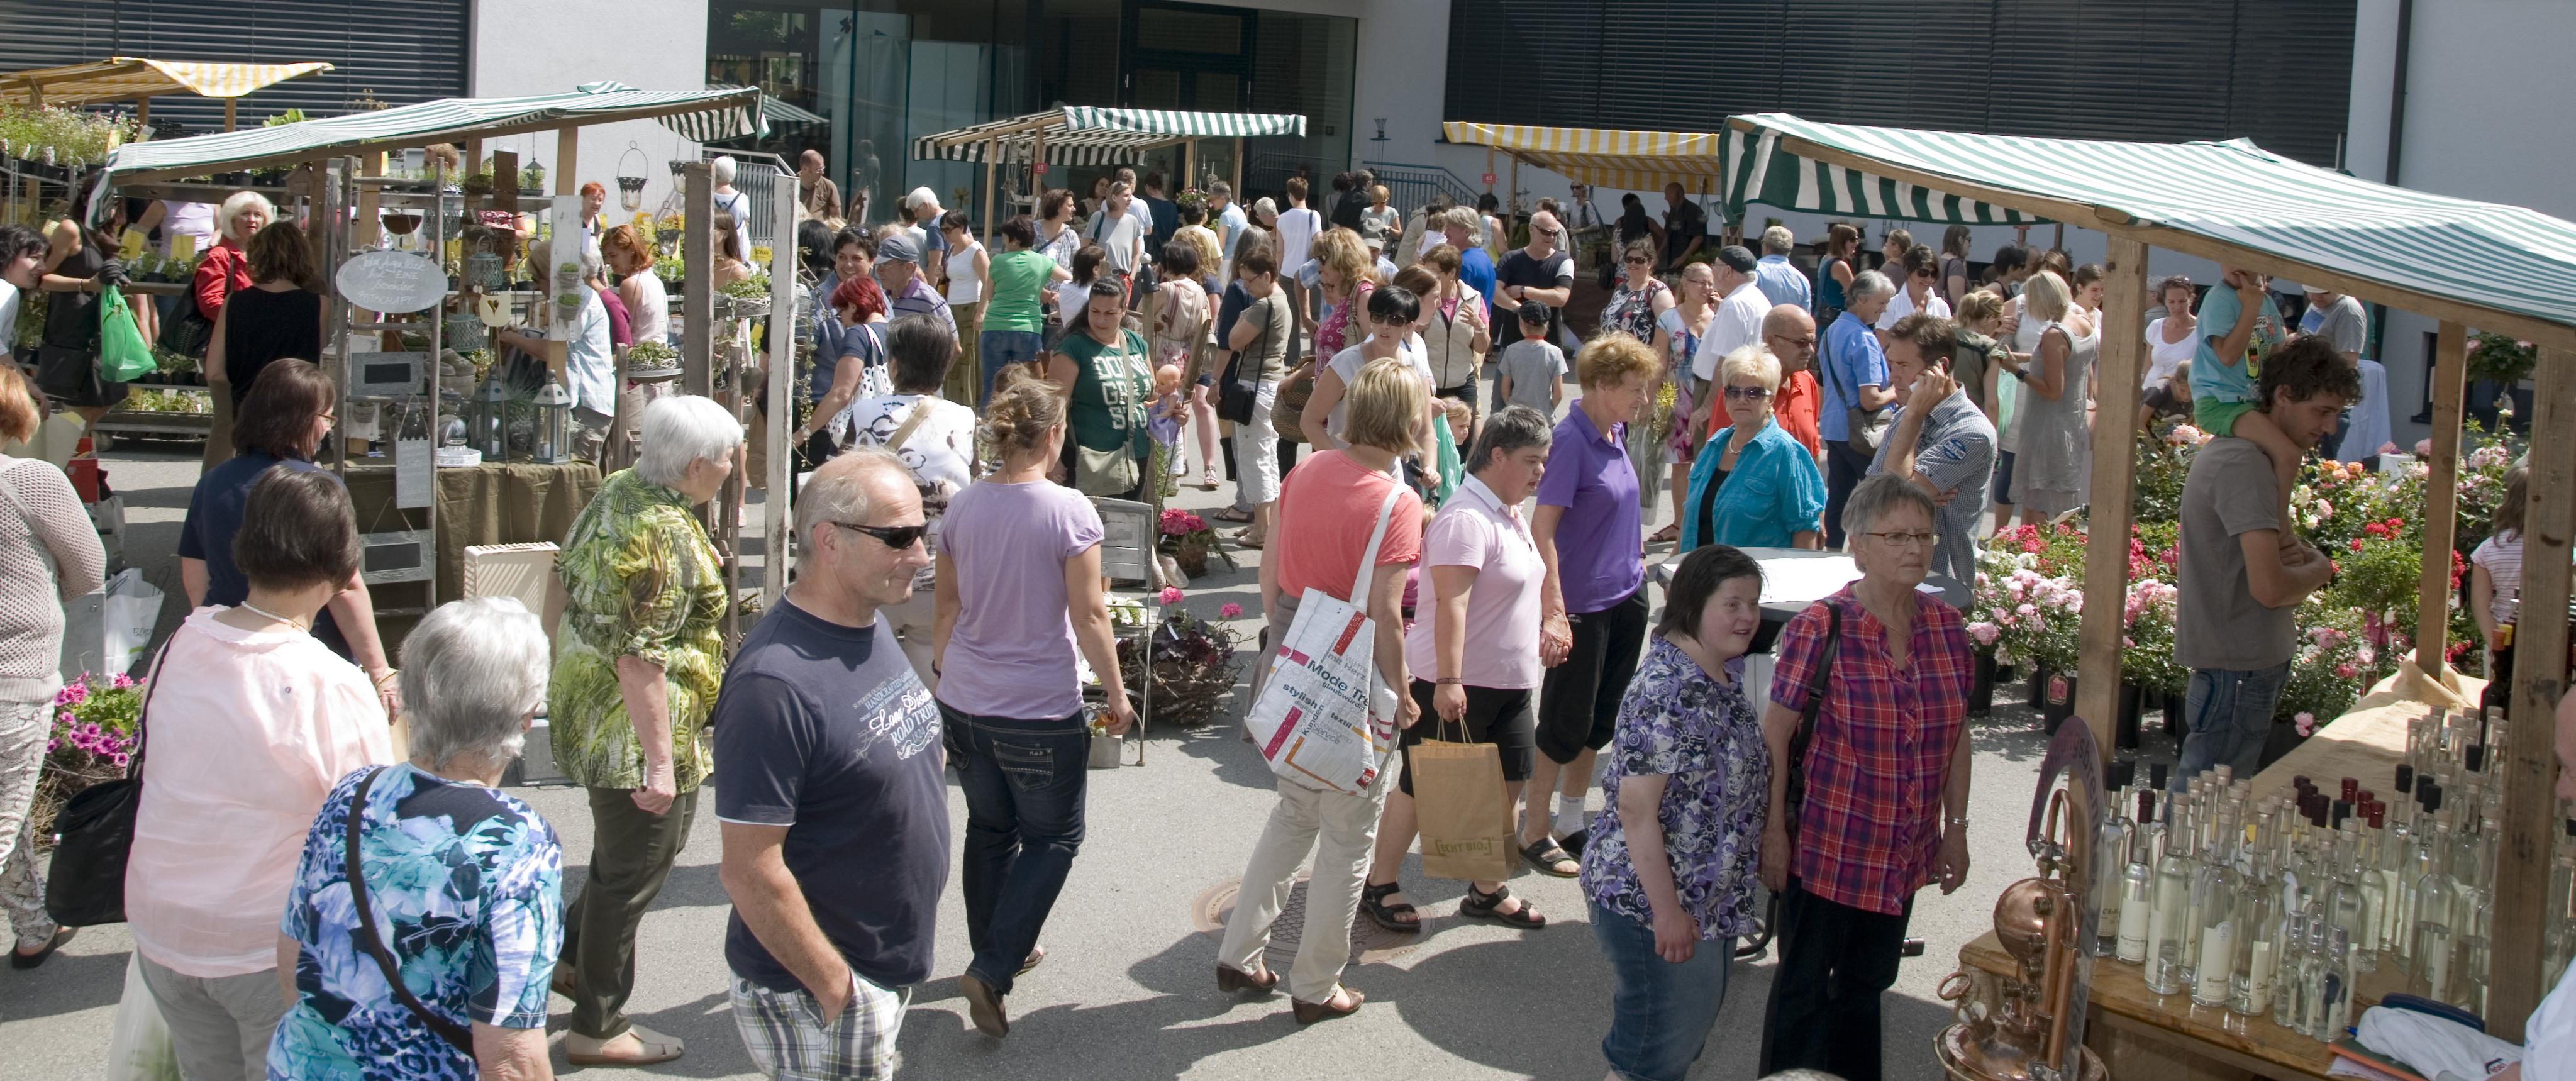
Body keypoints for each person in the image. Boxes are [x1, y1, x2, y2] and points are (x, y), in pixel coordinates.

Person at [130, 468, 397, 1081]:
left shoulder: (180, 643)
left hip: (163, 925)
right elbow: (370, 838)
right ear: (342, 562)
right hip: (265, 942)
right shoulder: (329, 682)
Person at [713, 449, 948, 1081]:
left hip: (872, 967)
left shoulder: (867, 622)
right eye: (898, 537)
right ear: (829, 541)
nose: (921, 555)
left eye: (924, 532)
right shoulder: (773, 684)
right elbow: (748, 869)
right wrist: (838, 991)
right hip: (819, 991)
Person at [267, 597, 560, 1081]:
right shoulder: (518, 844)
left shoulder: (352, 794)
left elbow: (294, 956)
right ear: (527, 714)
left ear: (412, 694)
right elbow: (511, 1057)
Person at [1219, 358, 1428, 1024]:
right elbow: (1385, 614)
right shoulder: (1398, 502)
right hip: (1352, 672)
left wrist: (1284, 638)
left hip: (1292, 649)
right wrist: (1404, 690)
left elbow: (1271, 568)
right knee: (1347, 837)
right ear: (1406, 420)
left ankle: (1240, 950)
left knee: (1293, 812)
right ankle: (1315, 984)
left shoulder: (1307, 470)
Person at [928, 369, 1131, 1037]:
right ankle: (993, 964)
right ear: (1052, 435)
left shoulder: (963, 506)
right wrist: (1117, 693)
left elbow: (947, 606)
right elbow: (1089, 615)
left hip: (966, 698)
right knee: (1054, 837)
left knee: (990, 830)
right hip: (1038, 707)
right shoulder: (1070, 510)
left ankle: (996, 950)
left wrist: (944, 669)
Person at [1758, 474, 1975, 1081]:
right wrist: (1773, 832)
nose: (1914, 548)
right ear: (1857, 546)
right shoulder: (1822, 626)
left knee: (1864, 989)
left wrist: (1955, 829)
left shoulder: (1947, 629)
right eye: (1896, 536)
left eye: (1923, 536)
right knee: (1804, 993)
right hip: (1828, 851)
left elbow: (1958, 736)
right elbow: (1776, 737)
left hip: (1902, 854)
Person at [548, 395, 741, 1067]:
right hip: (631, 730)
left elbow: (563, 578)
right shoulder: (662, 537)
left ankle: (570, 959)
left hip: (595, 706)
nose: (732, 466)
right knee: (635, 868)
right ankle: (598, 1025)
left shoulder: (621, 489)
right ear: (695, 466)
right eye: (726, 457)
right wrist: (660, 763)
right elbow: (640, 660)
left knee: (626, 858)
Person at [1358, 406, 1553, 933]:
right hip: (1456, 683)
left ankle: (1487, 889)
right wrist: (1448, 680)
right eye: (1531, 460)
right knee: (1424, 786)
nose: (1540, 471)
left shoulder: (1509, 512)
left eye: (1544, 460)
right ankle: (1379, 882)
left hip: (1511, 680)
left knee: (1511, 778)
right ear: (1498, 455)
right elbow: (1451, 604)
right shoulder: (1466, 518)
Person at [1582, 543, 1769, 1081]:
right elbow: (1636, 811)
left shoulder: (1719, 672)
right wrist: (1667, 912)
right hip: (1655, 903)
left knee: (1675, 1043)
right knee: (1652, 1056)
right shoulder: (1666, 689)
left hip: (1706, 900)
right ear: (1692, 605)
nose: (1748, 616)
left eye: (1753, 603)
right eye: (1732, 604)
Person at [2171, 338, 2353, 789]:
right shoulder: (2244, 462)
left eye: (2337, 414)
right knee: (2206, 807)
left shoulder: (2248, 455)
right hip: (2238, 666)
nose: (2330, 426)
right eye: (2322, 411)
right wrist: (2320, 570)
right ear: (2284, 395)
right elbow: (2269, 588)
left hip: (2239, 663)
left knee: (2207, 803)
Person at [1522, 335, 1658, 877]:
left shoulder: (1614, 429)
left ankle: (1572, 820)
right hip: (1582, 604)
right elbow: (1542, 529)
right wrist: (1554, 608)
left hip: (1626, 595)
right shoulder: (1570, 441)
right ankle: (1534, 829)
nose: (1644, 398)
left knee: (1601, 719)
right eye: (1635, 388)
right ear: (1601, 385)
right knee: (1564, 722)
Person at [179, 361, 397, 693]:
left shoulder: (212, 481)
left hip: (228, 650)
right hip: (308, 655)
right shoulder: (318, 488)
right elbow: (344, 588)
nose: (327, 429)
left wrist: (216, 632)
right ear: (303, 420)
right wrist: (380, 671)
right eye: (326, 418)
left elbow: (195, 574)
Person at [0, 365, 102, 969]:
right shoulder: (28, 480)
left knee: (8, 808)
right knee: (4, 810)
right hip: (14, 676)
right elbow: (88, 570)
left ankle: (34, 923)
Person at [839, 314, 976, 684]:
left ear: (894, 365)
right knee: (932, 683)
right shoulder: (964, 418)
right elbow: (972, 482)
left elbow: (843, 480)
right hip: (940, 577)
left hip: (873, 573)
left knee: (866, 683)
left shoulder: (864, 413)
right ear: (944, 367)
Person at [1872, 314, 1996, 584]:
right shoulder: (1906, 415)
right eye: (1892, 364)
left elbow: (1895, 495)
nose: (1893, 376)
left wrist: (1914, 417)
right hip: (1887, 574)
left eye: (1903, 365)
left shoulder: (1972, 432)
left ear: (1940, 368)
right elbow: (1873, 493)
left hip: (1938, 582)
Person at [1680, 345, 1826, 552]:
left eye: (1754, 393)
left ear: (1771, 399)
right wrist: (1674, 567)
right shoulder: (1714, 445)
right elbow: (1689, 523)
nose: (1742, 400)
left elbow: (1805, 531)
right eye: (1733, 392)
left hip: (1756, 571)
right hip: (1698, 569)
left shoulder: (1787, 453)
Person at [203, 221, 321, 469]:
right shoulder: (319, 305)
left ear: (257, 255)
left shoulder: (234, 302)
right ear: (302, 256)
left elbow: (215, 372)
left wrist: (228, 415)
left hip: (246, 405)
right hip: (296, 408)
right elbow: (320, 363)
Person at [1992, 270, 2092, 525]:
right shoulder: (2082, 320)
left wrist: (2017, 371)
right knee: (2062, 503)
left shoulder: (2054, 334)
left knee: (2035, 505)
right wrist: (2024, 358)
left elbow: (2052, 390)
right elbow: (2064, 360)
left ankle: (2033, 549)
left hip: (2045, 426)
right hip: (2071, 422)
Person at [498, 241, 616, 459]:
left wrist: (512, 338)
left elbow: (552, 351)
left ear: (549, 275)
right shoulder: (572, 299)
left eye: (536, 279)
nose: (536, 286)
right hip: (582, 402)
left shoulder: (577, 301)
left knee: (579, 472)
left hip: (587, 406)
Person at [35, 177, 133, 425]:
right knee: (79, 409)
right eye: (105, 199)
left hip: (103, 328)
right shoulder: (71, 229)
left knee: (106, 398)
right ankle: (67, 447)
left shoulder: (104, 233)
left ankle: (79, 447)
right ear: (87, 198)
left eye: (115, 202)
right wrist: (84, 284)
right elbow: (39, 277)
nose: (110, 207)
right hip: (74, 330)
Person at [1045, 279, 1156, 500]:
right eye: (1094, 311)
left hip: (1136, 455)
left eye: (1110, 313)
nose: (1100, 320)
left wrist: (1171, 411)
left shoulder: (1136, 343)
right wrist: (1053, 460)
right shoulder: (1073, 347)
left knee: (1129, 522)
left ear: (1124, 310)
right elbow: (1052, 409)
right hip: (1089, 461)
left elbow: (1150, 395)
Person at [1304, 284, 1435, 456]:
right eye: (1378, 317)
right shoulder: (1345, 363)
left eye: (1395, 320)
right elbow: (1309, 421)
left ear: (1409, 327)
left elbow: (1426, 431)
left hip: (1391, 468)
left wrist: (1429, 466)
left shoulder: (1415, 366)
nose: (1385, 326)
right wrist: (1338, 461)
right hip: (1346, 466)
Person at [1818, 270, 1897, 547]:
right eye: (1881, 302)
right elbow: (1870, 399)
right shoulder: (1863, 337)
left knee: (1839, 496)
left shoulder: (1832, 330)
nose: (1884, 309)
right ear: (1861, 299)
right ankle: (1870, 552)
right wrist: (1898, 391)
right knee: (1880, 497)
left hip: (1834, 427)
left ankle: (1832, 552)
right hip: (1861, 432)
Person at [1223, 248, 1295, 547]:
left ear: (1266, 276)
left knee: (1255, 459)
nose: (1246, 287)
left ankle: (1263, 531)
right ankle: (1267, 524)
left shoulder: (1263, 306)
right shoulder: (1281, 300)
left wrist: (1243, 315)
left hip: (1255, 386)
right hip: (1269, 386)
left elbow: (1233, 340)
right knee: (1265, 456)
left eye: (1249, 281)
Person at [1652, 262, 1721, 541]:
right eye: (1701, 282)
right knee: (1680, 463)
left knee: (1709, 461)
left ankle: (1703, 521)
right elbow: (1659, 362)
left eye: (1710, 283)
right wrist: (1651, 400)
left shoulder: (1719, 317)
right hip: (1674, 394)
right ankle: (1680, 524)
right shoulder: (1669, 319)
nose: (1707, 288)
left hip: (1710, 396)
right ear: (1686, 284)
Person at [1147, 241, 1219, 489]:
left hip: (1162, 354)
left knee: (1159, 412)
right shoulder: (1200, 291)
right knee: (1177, 412)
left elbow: (1142, 314)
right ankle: (1175, 469)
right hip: (1186, 357)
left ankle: (1163, 471)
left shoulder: (1165, 289)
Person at [980, 214, 1070, 407]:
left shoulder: (998, 261)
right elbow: (1070, 280)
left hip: (995, 326)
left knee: (992, 386)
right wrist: (1048, 293)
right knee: (1027, 388)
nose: (1004, 242)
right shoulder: (1042, 261)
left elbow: (990, 295)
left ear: (1015, 240)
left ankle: (987, 422)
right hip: (1028, 329)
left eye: (1005, 237)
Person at [1688, 247, 1770, 448]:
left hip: (1722, 392)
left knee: (1711, 455)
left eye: (1715, 267)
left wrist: (1707, 406)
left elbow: (1725, 361)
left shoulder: (1735, 304)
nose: (1713, 272)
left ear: (1728, 271)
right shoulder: (1757, 298)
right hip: (1740, 390)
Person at [2472, 467, 2531, 712]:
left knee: (2500, 707)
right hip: (2548, 642)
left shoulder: (2489, 549)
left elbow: (2480, 605)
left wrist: (2498, 648)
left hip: (2502, 639)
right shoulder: (2564, 551)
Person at [1419, 245, 1490, 424]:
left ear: (1452, 273)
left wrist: (1479, 327)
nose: (1429, 276)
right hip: (1429, 384)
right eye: (1426, 270)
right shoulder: (1421, 298)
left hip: (1462, 383)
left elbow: (1482, 347)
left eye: (1435, 272)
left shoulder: (1474, 298)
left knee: (1464, 435)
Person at [1493, 209, 1575, 348]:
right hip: (1513, 342)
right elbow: (1495, 292)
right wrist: (1520, 310)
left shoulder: (1564, 261)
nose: (1551, 237)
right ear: (1532, 229)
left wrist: (1524, 291)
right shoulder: (1510, 258)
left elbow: (1561, 298)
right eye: (1546, 232)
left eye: (1555, 234)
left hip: (1549, 345)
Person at [1304, 227, 1382, 362]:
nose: (1319, 267)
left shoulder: (1364, 295)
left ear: (1342, 259)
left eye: (1323, 260)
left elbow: (1377, 354)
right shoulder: (1347, 294)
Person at [1760, 303, 1826, 461]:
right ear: (1771, 341)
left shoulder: (1807, 381)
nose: (1810, 351)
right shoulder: (1741, 389)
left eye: (1812, 342)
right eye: (1801, 342)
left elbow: (1813, 450)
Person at [938, 210, 990, 406]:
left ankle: (970, 402)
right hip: (953, 308)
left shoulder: (975, 250)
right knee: (953, 355)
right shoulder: (952, 249)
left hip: (971, 307)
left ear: (961, 228)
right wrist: (943, 275)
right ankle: (953, 399)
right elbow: (954, 277)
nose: (945, 234)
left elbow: (988, 282)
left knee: (967, 357)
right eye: (942, 230)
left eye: (948, 230)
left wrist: (981, 311)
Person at [875, 233, 956, 338]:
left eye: (886, 265)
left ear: (908, 268)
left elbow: (953, 345)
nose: (879, 271)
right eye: (878, 265)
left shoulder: (931, 301)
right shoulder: (880, 298)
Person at [1497, 302, 1567, 418]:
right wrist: (1549, 410)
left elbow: (1505, 390)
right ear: (1547, 325)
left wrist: (1511, 406)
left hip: (1516, 415)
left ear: (1522, 324)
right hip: (1542, 417)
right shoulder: (1555, 352)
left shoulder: (1511, 350)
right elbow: (1558, 394)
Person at [1601, 239, 1675, 345]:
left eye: (1639, 260)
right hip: (1611, 352)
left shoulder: (1658, 291)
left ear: (1650, 263)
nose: (1633, 263)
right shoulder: (1621, 288)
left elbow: (1668, 331)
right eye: (1629, 259)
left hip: (1640, 354)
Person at [1277, 177, 1324, 321]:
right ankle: (1314, 336)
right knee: (1313, 316)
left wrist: (1278, 273)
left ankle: (1294, 338)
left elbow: (1280, 251)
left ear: (1291, 195)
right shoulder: (1314, 215)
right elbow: (1319, 242)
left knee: (1291, 317)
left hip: (1287, 272)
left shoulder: (1282, 218)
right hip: (1310, 272)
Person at [1084, 180, 1148, 287]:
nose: (1130, 199)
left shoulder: (1133, 222)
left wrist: (1131, 277)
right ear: (1114, 198)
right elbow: (1084, 249)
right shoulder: (1098, 218)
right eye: (1126, 196)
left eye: (1131, 195)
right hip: (1100, 279)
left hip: (1123, 280)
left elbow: (1137, 253)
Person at [1875, 245, 1953, 331]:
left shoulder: (1941, 307)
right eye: (1923, 273)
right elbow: (1883, 338)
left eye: (1934, 273)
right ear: (1908, 271)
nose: (1929, 278)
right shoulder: (1891, 307)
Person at [2143, 275, 2197, 391]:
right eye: (2171, 302)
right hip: (2149, 392)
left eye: (2182, 301)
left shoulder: (2202, 330)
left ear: (2191, 299)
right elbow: (2148, 366)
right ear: (2165, 302)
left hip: (2179, 395)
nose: (2177, 307)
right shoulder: (2156, 326)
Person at [0, 226, 41, 369]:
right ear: (7, 256)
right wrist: (22, 378)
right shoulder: (5, 290)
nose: (42, 267)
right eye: (34, 258)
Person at [1753, 225, 1811, 312]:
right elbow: (1804, 316)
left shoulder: (1754, 270)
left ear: (1766, 246)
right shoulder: (1802, 280)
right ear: (1789, 250)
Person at [1814, 223, 1860, 326]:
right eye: (1853, 239)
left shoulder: (1826, 259)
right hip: (1835, 319)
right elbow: (1855, 294)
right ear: (1842, 241)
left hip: (1824, 317)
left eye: (1857, 239)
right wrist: (1855, 287)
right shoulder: (1840, 265)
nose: (1857, 243)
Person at [710, 155, 754, 263]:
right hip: (736, 248)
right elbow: (746, 219)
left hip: (712, 244)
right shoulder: (742, 198)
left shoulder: (707, 195)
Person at [899, 186, 948, 281]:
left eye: (916, 211)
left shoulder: (934, 227)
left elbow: (934, 264)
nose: (916, 215)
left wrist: (930, 289)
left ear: (925, 205)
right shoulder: (956, 218)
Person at [1660, 183, 1709, 270]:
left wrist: (1683, 258)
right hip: (1674, 260)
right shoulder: (1673, 210)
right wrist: (1659, 252)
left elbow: (1698, 237)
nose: (1665, 198)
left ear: (1676, 194)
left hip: (1690, 263)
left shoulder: (1693, 210)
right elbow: (1668, 235)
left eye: (1667, 195)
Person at [2140, 359, 2194, 431]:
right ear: (2175, 381)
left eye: (2191, 392)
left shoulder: (2199, 395)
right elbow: (2140, 423)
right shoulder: (2159, 392)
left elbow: (2190, 424)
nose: (2187, 397)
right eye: (2182, 390)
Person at [1136, 172, 1179, 253]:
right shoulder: (1173, 207)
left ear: (1147, 186)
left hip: (1148, 248)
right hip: (1165, 250)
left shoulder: (1145, 203)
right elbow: (1174, 232)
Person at [1939, 225, 1974, 310]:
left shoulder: (1939, 260)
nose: (1970, 245)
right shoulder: (1956, 265)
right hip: (1949, 315)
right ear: (1960, 240)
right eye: (1969, 240)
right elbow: (1958, 301)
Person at [1359, 184, 1401, 255]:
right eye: (1375, 203)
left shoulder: (1392, 213)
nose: (1379, 206)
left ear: (1387, 199)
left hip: (1385, 252)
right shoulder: (1366, 212)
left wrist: (1390, 229)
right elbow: (1360, 233)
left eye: (1382, 203)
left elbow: (1399, 236)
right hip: (1368, 252)